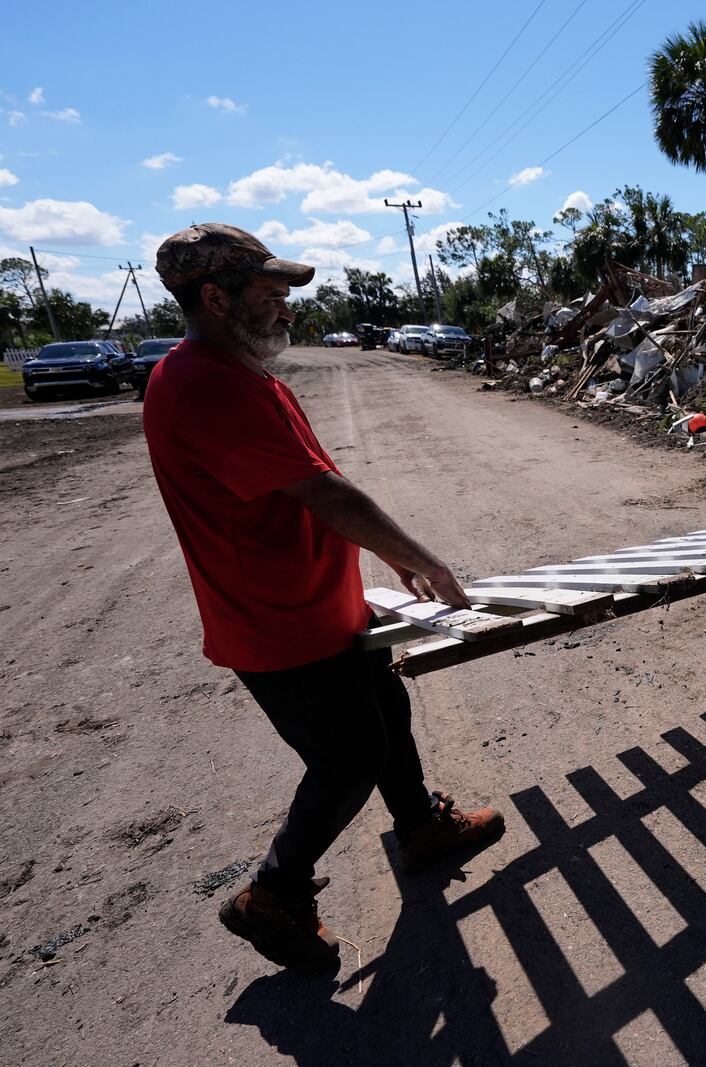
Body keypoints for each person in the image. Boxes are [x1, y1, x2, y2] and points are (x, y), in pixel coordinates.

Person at [143, 223, 505, 972]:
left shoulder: (243, 370)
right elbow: (322, 490)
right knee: (345, 763)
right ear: (213, 297)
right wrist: (420, 559)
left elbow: (301, 489)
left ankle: (421, 829)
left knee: (388, 711)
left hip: (320, 603)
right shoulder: (204, 383)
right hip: (278, 625)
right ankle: (271, 895)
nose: (286, 310)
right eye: (271, 296)